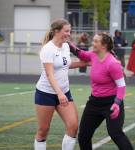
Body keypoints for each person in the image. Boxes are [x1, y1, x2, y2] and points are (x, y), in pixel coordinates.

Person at [68, 32, 134, 150]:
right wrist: (70, 45)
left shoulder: (112, 63)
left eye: (95, 41)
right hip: (94, 103)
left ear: (103, 46)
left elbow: (121, 85)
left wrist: (117, 103)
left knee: (115, 134)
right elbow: (82, 54)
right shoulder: (94, 55)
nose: (92, 43)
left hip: (111, 103)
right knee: (83, 136)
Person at [34, 19, 87, 150]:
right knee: (43, 130)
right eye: (66, 31)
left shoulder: (66, 46)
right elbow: (49, 74)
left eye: (70, 31)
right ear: (57, 31)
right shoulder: (47, 49)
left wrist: (87, 63)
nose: (69, 34)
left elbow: (65, 65)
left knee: (73, 126)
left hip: (64, 92)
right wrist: (59, 93)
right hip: (46, 93)